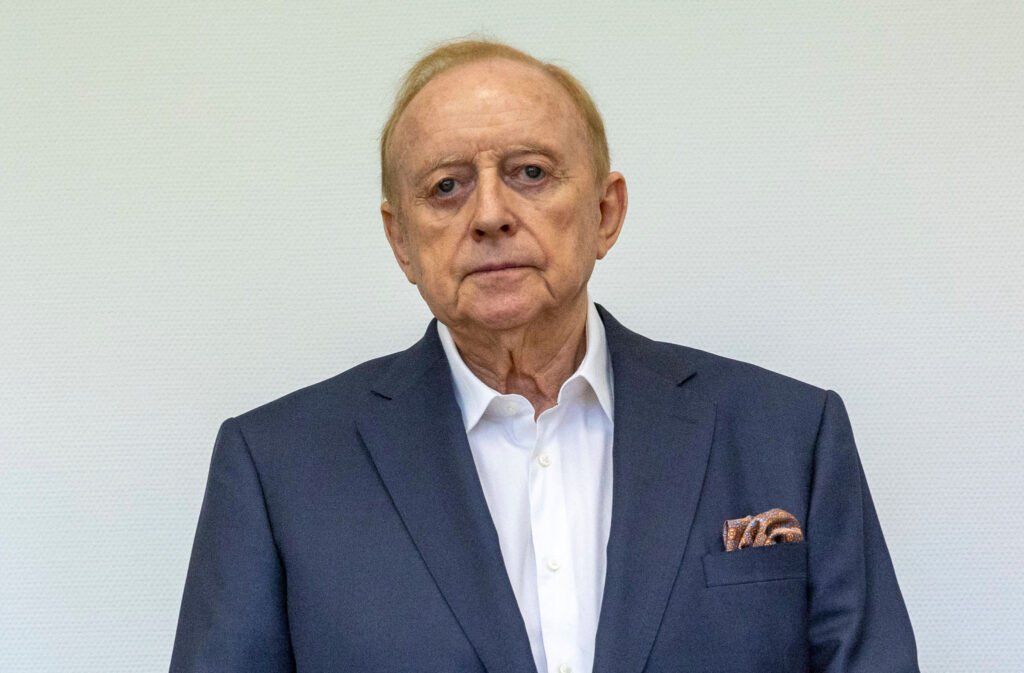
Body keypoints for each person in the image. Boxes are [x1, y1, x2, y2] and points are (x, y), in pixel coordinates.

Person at [170, 39, 919, 673]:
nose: (490, 214)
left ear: (605, 212)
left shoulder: (789, 434)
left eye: (530, 172)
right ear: (401, 241)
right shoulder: (277, 467)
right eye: (446, 186)